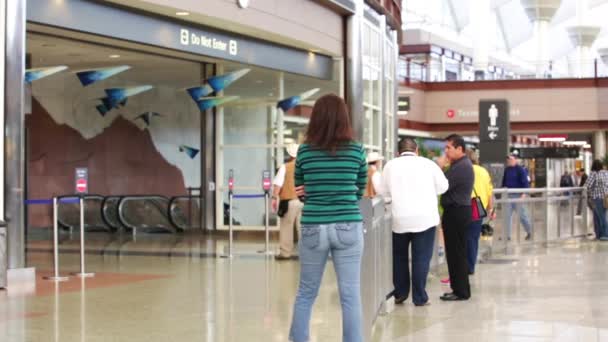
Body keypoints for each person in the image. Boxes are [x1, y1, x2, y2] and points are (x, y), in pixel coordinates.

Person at [289, 94, 367, 342]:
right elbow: (359, 187)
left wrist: (315, 194)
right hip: (347, 225)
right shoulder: (356, 150)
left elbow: (300, 188)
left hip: (313, 225)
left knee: (306, 292)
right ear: (344, 118)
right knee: (350, 294)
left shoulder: (304, 151)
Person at [378, 138, 448, 306]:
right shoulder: (429, 164)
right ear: (417, 150)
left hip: (399, 219)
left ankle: (400, 294)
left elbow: (382, 191)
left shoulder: (390, 166)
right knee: (421, 258)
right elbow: (443, 187)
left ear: (397, 152)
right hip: (425, 219)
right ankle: (420, 297)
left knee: (399, 257)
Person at [437, 134, 474, 301]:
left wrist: (439, 166)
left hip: (457, 212)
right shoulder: (458, 164)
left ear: (460, 149)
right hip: (455, 212)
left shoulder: (462, 167)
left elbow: (442, 185)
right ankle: (458, 289)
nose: (446, 151)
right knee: (454, 252)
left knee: (456, 253)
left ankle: (461, 291)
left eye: (448, 148)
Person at [271, 143, 303, 260]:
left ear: (289, 154)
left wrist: (274, 198)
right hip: (305, 202)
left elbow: (278, 185)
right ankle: (306, 254)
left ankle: (285, 253)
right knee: (303, 228)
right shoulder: (306, 167)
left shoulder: (285, 167)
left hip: (289, 202)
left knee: (286, 226)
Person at [465, 149, 494, 275]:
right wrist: (490, 208)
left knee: (461, 237)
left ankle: (462, 264)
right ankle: (470, 266)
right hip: (478, 206)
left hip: (464, 205)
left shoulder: (461, 169)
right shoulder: (483, 171)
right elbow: (489, 191)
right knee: (473, 238)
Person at [502, 154, 532, 241]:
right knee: (507, 216)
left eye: (511, 159)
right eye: (508, 159)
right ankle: (507, 235)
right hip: (508, 196)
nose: (509, 161)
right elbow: (504, 182)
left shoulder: (520, 170)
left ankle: (529, 231)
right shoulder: (507, 169)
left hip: (517, 196)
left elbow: (525, 183)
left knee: (522, 215)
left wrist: (523, 194)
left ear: (515, 160)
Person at [584, 160, 608, 241]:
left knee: (600, 217)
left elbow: (587, 185)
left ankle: (604, 235)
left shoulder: (594, 174)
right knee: (600, 216)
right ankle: (599, 235)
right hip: (605, 198)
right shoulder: (606, 173)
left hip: (597, 198)